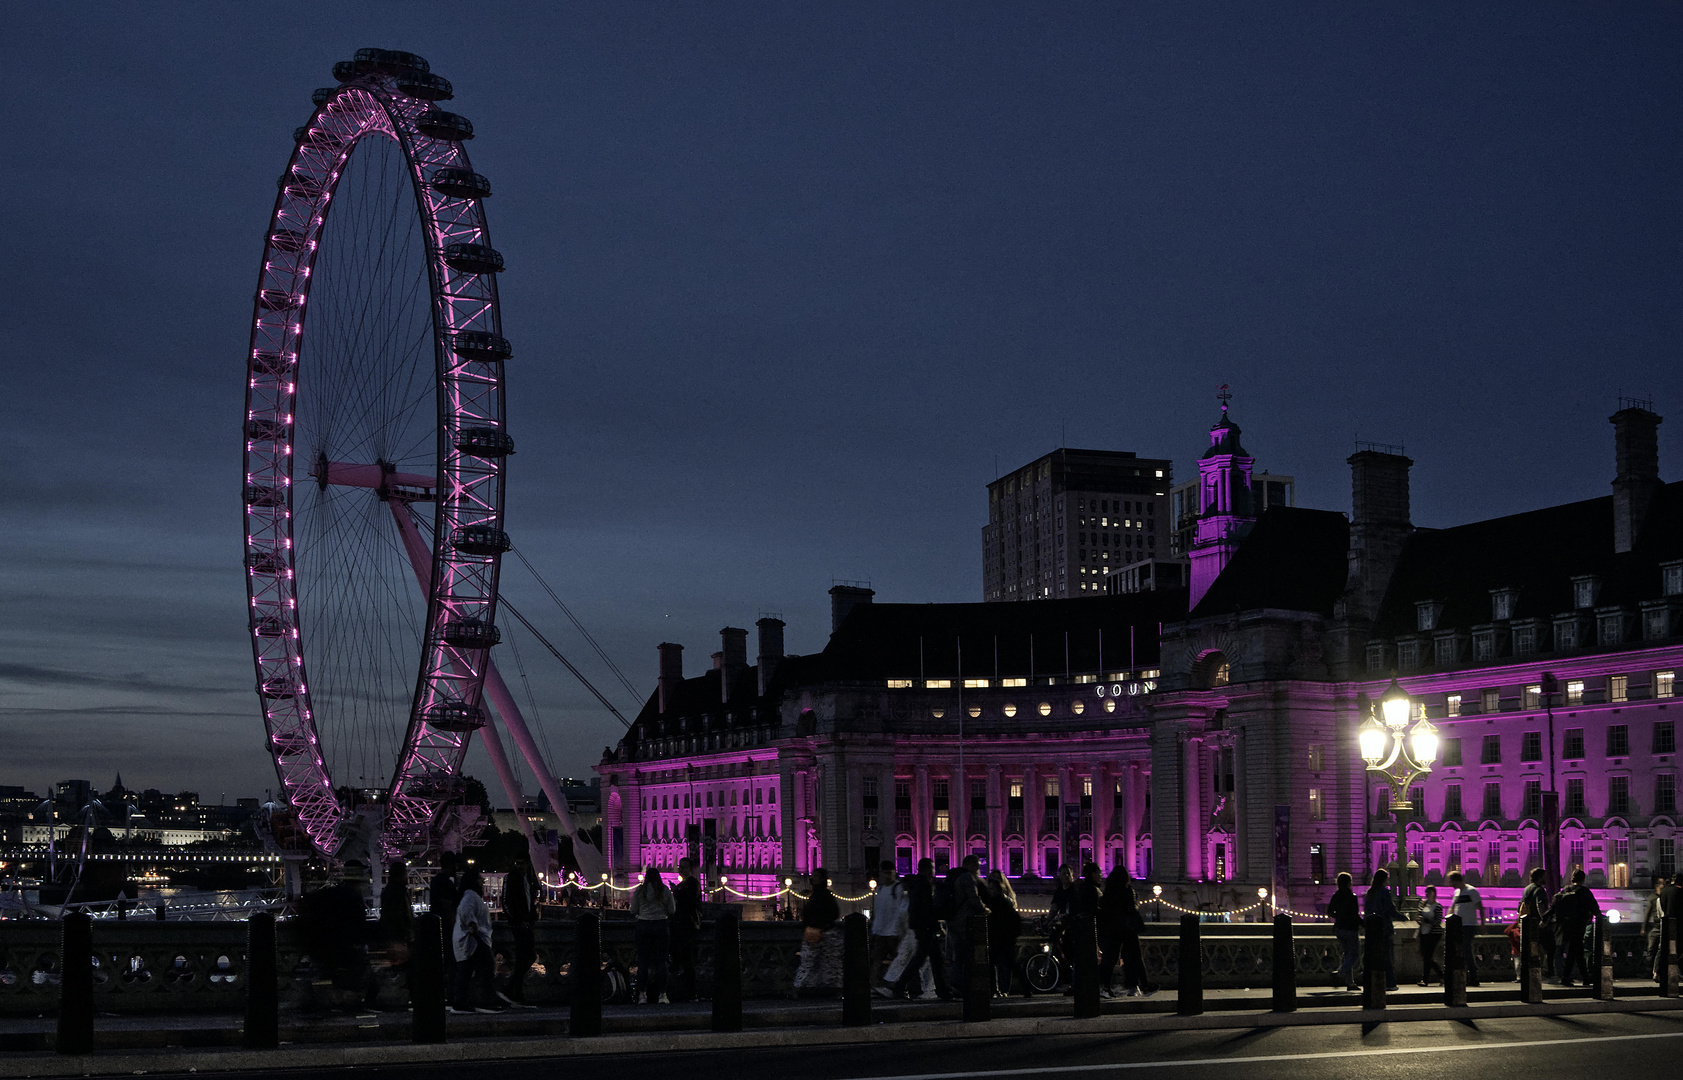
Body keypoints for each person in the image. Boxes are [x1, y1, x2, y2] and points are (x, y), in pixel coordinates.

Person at [894, 858, 952, 1000]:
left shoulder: (915, 884)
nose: (934, 872)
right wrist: (936, 925)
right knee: (925, 959)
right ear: (927, 869)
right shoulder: (925, 885)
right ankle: (900, 986)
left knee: (931, 958)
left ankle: (942, 990)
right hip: (926, 926)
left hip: (919, 925)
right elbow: (927, 908)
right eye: (932, 868)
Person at [1097, 864, 1152, 997]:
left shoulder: (1108, 892)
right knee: (1135, 957)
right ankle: (1141, 985)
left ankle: (1104, 986)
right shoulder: (1127, 891)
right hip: (1127, 929)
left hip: (1113, 929)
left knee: (1110, 959)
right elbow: (1131, 910)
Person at [451, 869, 500, 1013]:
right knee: (486, 967)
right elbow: (465, 910)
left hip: (467, 939)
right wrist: (473, 924)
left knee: (465, 972)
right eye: (480, 879)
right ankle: (484, 1000)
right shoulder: (471, 895)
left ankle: (461, 1003)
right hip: (474, 938)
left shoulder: (468, 895)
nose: (482, 882)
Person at [630, 866, 676, 1004]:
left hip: (643, 925)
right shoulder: (665, 890)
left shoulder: (640, 891)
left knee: (643, 962)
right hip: (661, 925)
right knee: (661, 962)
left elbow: (633, 910)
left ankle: (642, 995)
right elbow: (672, 909)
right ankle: (662, 995)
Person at [1549, 868, 1601, 986]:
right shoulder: (1584, 891)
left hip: (1566, 926)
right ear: (1583, 879)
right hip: (1579, 925)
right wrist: (1599, 916)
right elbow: (1594, 907)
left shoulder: (1565, 890)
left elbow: (1554, 907)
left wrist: (1545, 917)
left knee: (1576, 951)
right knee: (1575, 950)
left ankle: (1583, 977)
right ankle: (1570, 977)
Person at [500, 853, 539, 1008]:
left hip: (527, 924)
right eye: (517, 863)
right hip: (518, 925)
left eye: (522, 863)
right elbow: (506, 902)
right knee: (527, 956)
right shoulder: (510, 878)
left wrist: (531, 918)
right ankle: (514, 990)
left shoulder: (528, 878)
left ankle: (513, 990)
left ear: (527, 863)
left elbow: (531, 900)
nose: (519, 866)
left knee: (527, 957)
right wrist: (516, 921)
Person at [794, 871, 844, 994]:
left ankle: (802, 988)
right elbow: (834, 914)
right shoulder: (824, 896)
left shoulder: (816, 896)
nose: (812, 879)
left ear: (821, 879)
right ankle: (832, 988)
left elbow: (808, 915)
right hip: (824, 931)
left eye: (815, 876)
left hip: (815, 932)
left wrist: (811, 924)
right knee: (830, 963)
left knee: (809, 962)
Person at [949, 855, 989, 991]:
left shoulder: (955, 876)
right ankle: (963, 985)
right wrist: (985, 910)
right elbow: (973, 899)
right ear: (969, 865)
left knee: (958, 955)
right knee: (967, 955)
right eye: (976, 865)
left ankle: (956, 984)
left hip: (954, 920)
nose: (978, 869)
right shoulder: (967, 878)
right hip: (965, 921)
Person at [870, 861, 907, 996]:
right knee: (882, 959)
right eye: (886, 873)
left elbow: (898, 911)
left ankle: (892, 985)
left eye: (890, 873)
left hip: (892, 931)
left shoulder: (895, 888)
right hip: (883, 931)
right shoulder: (885, 889)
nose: (888, 876)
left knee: (884, 959)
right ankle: (883, 985)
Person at [669, 858, 703, 1002]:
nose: (681, 870)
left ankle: (691, 993)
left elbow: (688, 902)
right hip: (679, 926)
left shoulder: (693, 883)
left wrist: (676, 892)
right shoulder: (683, 884)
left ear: (690, 869)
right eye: (680, 867)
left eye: (684, 867)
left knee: (687, 960)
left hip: (688, 927)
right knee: (679, 959)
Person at [984, 869, 1022, 997]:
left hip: (1004, 936)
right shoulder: (994, 900)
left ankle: (1003, 989)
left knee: (1007, 964)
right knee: (1004, 963)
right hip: (999, 936)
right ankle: (997, 990)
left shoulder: (1003, 900)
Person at [429, 854, 460, 1003]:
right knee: (451, 963)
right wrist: (456, 929)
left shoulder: (435, 881)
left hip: (435, 928)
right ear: (451, 865)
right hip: (447, 930)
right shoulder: (446, 883)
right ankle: (450, 995)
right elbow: (447, 906)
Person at [1363, 868, 1399, 992]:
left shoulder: (1370, 892)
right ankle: (1390, 982)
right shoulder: (1384, 892)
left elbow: (1367, 912)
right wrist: (1402, 917)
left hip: (1372, 929)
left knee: (1373, 957)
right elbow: (1389, 909)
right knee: (1386, 956)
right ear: (1384, 879)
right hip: (1384, 928)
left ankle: (1373, 981)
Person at [1326, 872, 1361, 991]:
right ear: (1349, 883)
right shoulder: (1352, 896)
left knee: (1347, 954)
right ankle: (1339, 973)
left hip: (1339, 928)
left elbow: (1330, 912)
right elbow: (1354, 915)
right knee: (1354, 955)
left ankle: (1350, 983)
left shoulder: (1336, 895)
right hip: (1350, 928)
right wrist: (1364, 924)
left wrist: (1339, 915)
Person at [1517, 867, 1553, 981]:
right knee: (1551, 948)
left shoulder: (1527, 889)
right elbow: (1540, 906)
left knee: (1530, 949)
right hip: (1538, 925)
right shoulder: (1540, 890)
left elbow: (1520, 907)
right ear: (1540, 877)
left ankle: (1527, 972)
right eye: (1544, 876)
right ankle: (1547, 972)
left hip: (1527, 923)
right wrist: (1544, 920)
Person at [1448, 870, 1482, 986]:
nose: (1450, 885)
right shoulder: (1457, 893)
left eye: (1452, 882)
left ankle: (1473, 976)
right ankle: (1465, 975)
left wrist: (1482, 925)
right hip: (1459, 925)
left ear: (1457, 881)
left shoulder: (1471, 891)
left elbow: (1480, 907)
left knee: (1466, 950)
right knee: (1461, 951)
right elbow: (1452, 908)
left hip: (1469, 925)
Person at [1415, 885, 1444, 986]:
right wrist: (1419, 919)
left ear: (1434, 894)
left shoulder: (1438, 906)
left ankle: (1425, 979)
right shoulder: (1422, 903)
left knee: (1427, 956)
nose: (1427, 894)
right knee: (1425, 956)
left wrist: (1426, 921)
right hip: (1423, 933)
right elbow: (1418, 914)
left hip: (1434, 934)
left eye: (1429, 892)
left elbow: (1438, 921)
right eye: (1426, 892)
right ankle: (1441, 975)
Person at [1644, 875, 1666, 982]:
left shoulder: (1662, 896)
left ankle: (1656, 971)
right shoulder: (1653, 898)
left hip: (1662, 926)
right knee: (1651, 950)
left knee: (1658, 950)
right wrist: (1644, 927)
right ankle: (1650, 970)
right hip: (1656, 926)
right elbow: (1647, 913)